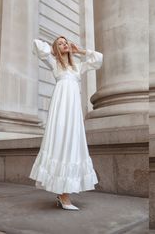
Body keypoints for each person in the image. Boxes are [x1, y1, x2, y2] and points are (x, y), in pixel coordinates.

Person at [29, 36, 103, 210]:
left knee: (72, 143)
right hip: (61, 108)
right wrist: (53, 51)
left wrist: (79, 51)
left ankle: (64, 195)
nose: (64, 44)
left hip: (73, 110)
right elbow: (37, 44)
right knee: (60, 141)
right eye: (60, 43)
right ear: (56, 48)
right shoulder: (54, 63)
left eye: (65, 42)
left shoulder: (78, 67)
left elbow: (98, 58)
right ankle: (63, 196)